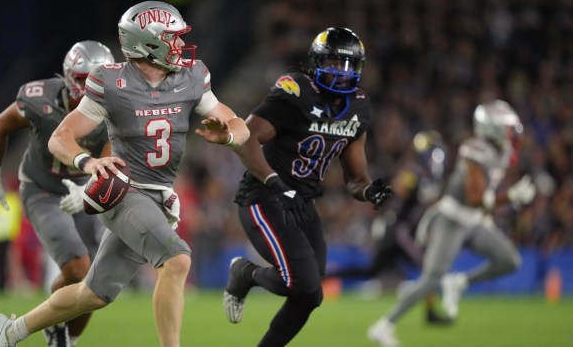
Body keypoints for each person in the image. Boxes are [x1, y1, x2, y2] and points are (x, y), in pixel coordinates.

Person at [0, 0, 249, 347]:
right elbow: (60, 137)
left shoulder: (192, 77)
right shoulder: (111, 82)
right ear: (148, 42)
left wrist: (229, 134)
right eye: (172, 38)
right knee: (178, 260)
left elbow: (237, 124)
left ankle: (10, 331)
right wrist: (87, 162)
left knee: (93, 295)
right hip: (122, 192)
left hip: (158, 195)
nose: (181, 46)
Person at [224, 27, 392, 346]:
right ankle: (245, 273)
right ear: (316, 62)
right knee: (301, 282)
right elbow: (245, 138)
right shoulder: (296, 91)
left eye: (347, 65)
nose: (340, 73)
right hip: (264, 196)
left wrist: (369, 191)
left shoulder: (357, 108)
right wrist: (273, 180)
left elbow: (356, 178)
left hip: (302, 203)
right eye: (332, 63)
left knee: (311, 295)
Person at [367, 100, 537, 347]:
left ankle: (459, 283)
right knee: (431, 278)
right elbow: (476, 197)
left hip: (473, 220)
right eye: (506, 127)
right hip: (451, 220)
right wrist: (509, 197)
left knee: (510, 260)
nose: (512, 132)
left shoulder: (502, 151)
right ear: (491, 128)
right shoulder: (475, 148)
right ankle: (383, 326)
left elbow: (482, 196)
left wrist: (492, 211)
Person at [0, 40, 115, 346]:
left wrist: (90, 193)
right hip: (42, 189)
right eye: (84, 79)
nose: (91, 87)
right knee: (79, 269)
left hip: (85, 190)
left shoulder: (112, 111)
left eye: (98, 79)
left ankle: (64, 337)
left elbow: (110, 163)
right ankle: (45, 326)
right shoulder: (41, 99)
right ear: (68, 76)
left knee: (97, 280)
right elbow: (1, 126)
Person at [326, 130, 452, 325]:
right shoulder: (414, 172)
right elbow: (397, 191)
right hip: (397, 230)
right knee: (428, 266)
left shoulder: (427, 176)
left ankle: (324, 276)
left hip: (403, 230)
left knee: (371, 271)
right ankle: (430, 313)